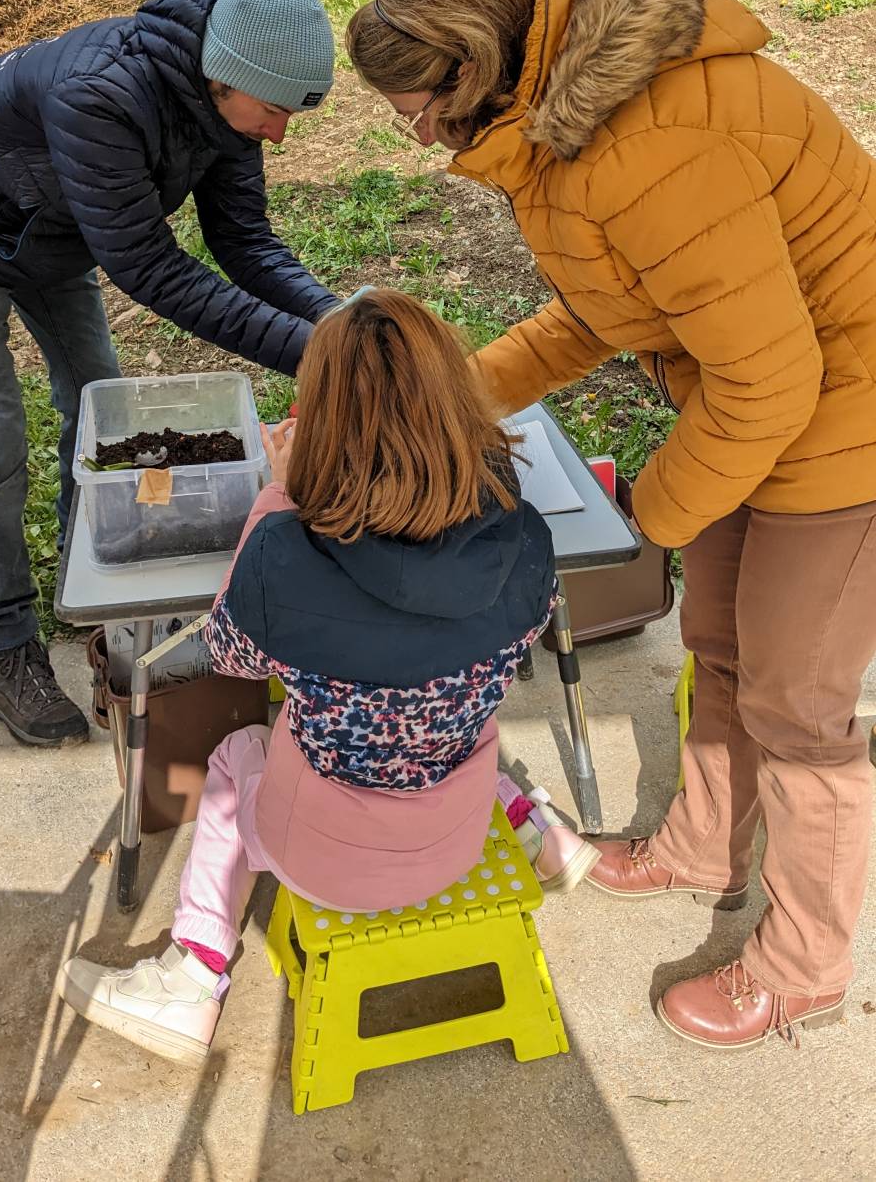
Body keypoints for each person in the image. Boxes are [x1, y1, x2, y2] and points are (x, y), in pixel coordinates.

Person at [346, 0, 876, 1053]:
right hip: (764, 393)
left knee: (797, 708)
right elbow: (598, 310)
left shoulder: (645, 148)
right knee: (719, 641)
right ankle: (699, 845)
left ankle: (804, 966)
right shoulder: (565, 125)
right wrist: (433, 400)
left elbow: (767, 379)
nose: (418, 136)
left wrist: (644, 517)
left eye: (417, 115)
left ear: (472, 74)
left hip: (845, 415)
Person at [57, 289, 595, 1063]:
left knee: (236, 757)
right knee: (463, 710)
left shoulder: (283, 556)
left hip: (326, 859)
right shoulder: (528, 538)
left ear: (326, 422)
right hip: (456, 836)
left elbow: (231, 655)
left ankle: (194, 974)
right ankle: (537, 829)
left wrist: (279, 493)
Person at [0, 0, 338, 748]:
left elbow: (246, 244)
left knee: (100, 413)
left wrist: (338, 322)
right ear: (223, 77)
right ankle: (4, 648)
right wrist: (321, 357)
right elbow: (155, 271)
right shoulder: (100, 94)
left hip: (56, 236)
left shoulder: (231, 102)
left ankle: (87, 595)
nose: (279, 135)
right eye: (273, 112)